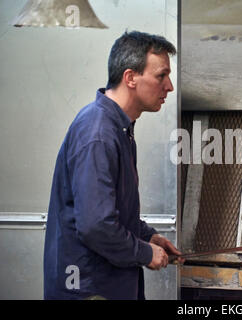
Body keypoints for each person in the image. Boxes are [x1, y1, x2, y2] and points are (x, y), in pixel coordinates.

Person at [44, 31, 183, 300]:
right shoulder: (98, 133)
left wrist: (147, 236)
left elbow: (111, 208)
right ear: (130, 77)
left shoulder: (118, 129)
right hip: (89, 289)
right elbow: (96, 225)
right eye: (161, 76)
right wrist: (143, 252)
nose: (169, 86)